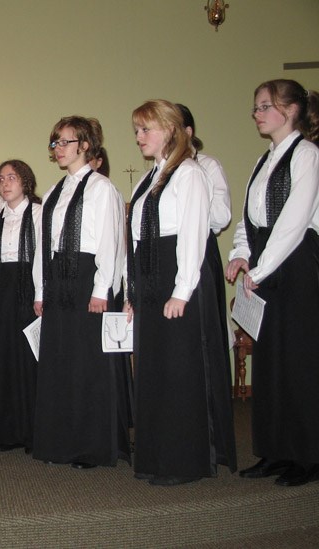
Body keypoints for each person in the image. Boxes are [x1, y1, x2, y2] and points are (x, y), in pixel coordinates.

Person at [126, 100, 236, 486]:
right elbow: (137, 238)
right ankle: (157, 457)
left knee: (180, 370)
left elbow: (194, 234)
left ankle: (184, 460)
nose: (139, 137)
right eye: (137, 130)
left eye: (146, 130)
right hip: (153, 279)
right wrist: (132, 291)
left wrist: (183, 290)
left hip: (178, 277)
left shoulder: (188, 173)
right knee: (155, 370)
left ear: (171, 130)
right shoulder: (150, 177)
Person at [226, 79, 319, 487]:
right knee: (271, 362)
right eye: (256, 107)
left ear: (292, 109)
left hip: (297, 264)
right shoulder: (262, 161)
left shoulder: (309, 155)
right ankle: (276, 451)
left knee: (299, 361)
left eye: (265, 106)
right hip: (267, 263)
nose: (257, 114)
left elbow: (294, 223)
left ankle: (309, 456)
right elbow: (251, 219)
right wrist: (240, 255)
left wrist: (259, 271)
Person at [31, 117, 130, 469]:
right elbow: (45, 245)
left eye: (64, 142)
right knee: (60, 360)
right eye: (54, 142)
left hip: (89, 279)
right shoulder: (56, 191)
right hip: (58, 280)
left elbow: (111, 241)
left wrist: (102, 288)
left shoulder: (101, 188)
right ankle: (61, 442)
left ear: (85, 145)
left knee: (88, 365)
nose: (57, 148)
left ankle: (92, 446)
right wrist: (40, 289)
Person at [177, 103, 233, 375]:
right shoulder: (160, 172)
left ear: (188, 131)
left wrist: (194, 205)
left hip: (201, 248)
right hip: (172, 251)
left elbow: (222, 216)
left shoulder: (206, 165)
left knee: (204, 327)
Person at [0, 159, 41, 452]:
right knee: (2, 360)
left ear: (25, 182)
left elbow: (44, 258)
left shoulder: (38, 213)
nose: (6, 183)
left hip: (28, 288)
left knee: (28, 361)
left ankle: (32, 431)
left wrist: (40, 295)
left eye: (13, 177)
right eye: (2, 179)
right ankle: (6, 431)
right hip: (1, 291)